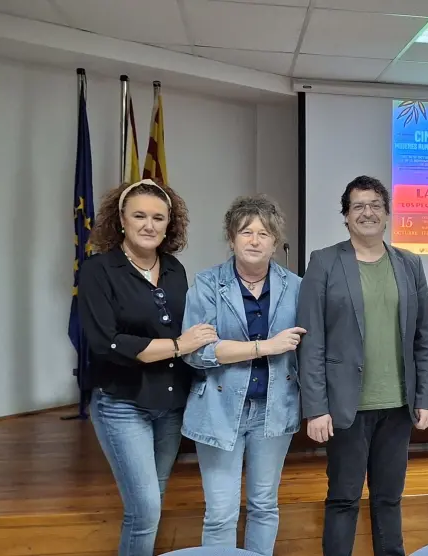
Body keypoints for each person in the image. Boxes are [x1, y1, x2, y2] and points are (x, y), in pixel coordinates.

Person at [299, 175, 428, 556]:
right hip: (346, 409)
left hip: (397, 406)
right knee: (343, 499)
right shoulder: (324, 262)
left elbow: (424, 338)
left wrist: (424, 397)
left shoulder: (409, 264)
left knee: (388, 500)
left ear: (388, 214)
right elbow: (311, 340)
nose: (368, 213)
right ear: (345, 216)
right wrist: (316, 408)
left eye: (376, 205)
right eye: (358, 206)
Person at [78, 179, 217, 556]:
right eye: (139, 215)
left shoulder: (174, 269)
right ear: (121, 219)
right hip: (122, 404)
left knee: (148, 505)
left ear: (169, 223)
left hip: (169, 407)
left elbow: (185, 328)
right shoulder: (97, 271)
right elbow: (106, 343)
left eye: (158, 217)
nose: (149, 224)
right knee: (146, 510)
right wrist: (178, 345)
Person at [180, 195, 304, 555]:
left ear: (276, 242)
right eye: (245, 232)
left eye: (263, 233)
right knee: (220, 513)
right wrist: (264, 347)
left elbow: (307, 347)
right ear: (231, 239)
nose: (254, 240)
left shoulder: (295, 286)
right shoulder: (207, 284)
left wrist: (226, 346)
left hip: (274, 409)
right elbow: (197, 351)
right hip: (218, 410)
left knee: (265, 505)